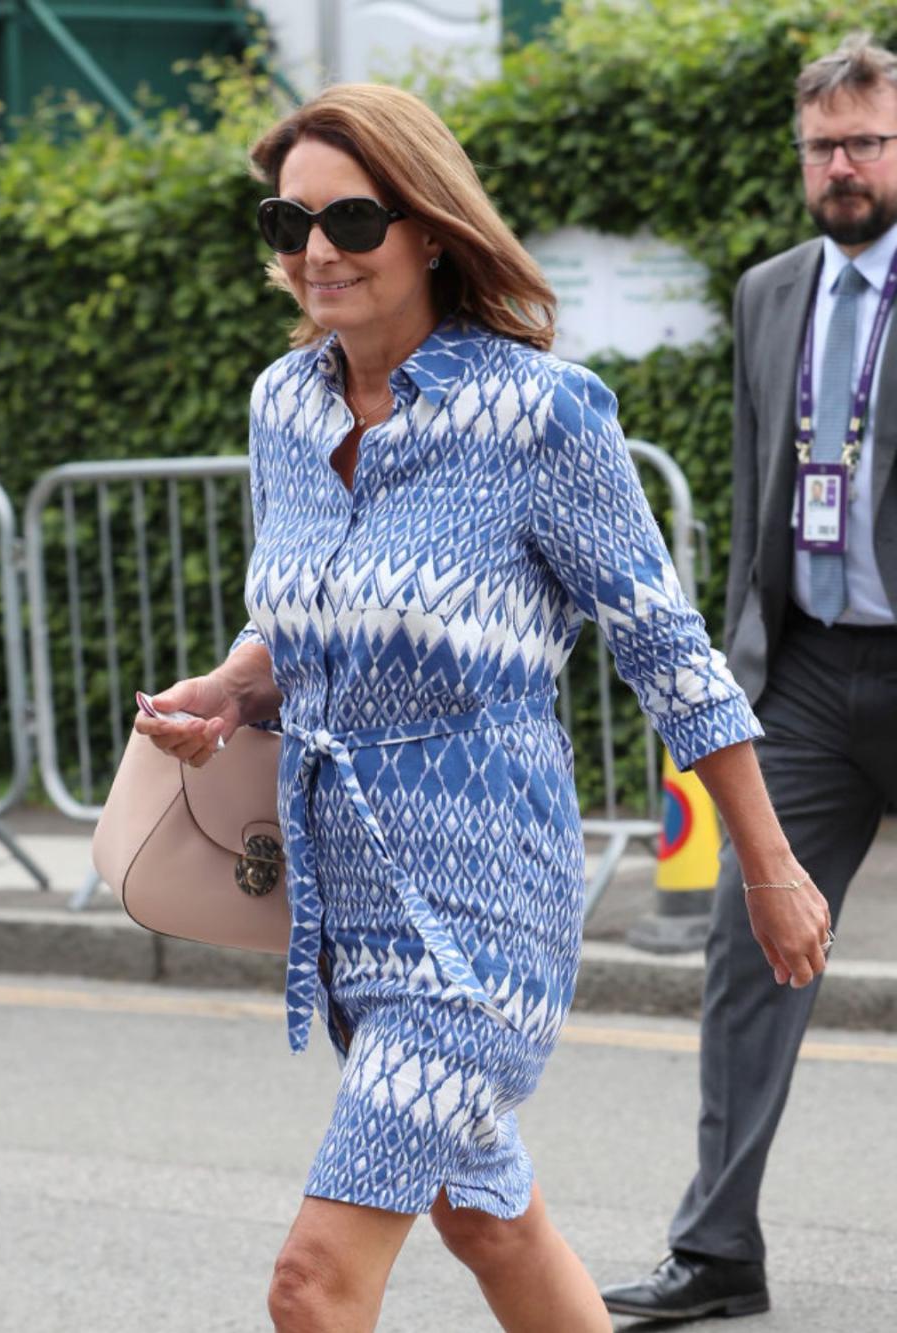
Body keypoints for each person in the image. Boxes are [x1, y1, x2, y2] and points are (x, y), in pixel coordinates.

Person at [134, 83, 830, 1333]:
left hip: (484, 913)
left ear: (433, 228)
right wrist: (239, 682)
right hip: (345, 898)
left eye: (352, 218)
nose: (316, 253)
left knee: (312, 1281)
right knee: (488, 1219)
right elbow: (306, 608)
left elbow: (666, 646)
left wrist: (769, 865)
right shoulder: (281, 408)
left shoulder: (541, 414)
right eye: (284, 225)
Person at [602, 32, 897, 1322]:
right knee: (749, 948)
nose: (844, 165)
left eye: (869, 141)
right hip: (809, 680)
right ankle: (719, 1250)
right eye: (824, 146)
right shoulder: (772, 290)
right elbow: (756, 487)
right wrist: (740, 661)